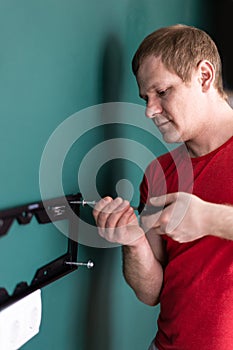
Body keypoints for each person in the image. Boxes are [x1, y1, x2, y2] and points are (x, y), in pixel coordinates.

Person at [93, 24, 233, 350]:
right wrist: (133, 241)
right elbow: (151, 292)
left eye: (162, 92)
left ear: (204, 76)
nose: (149, 110)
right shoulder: (159, 174)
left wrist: (211, 219)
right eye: (145, 98)